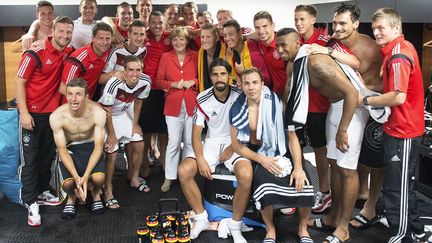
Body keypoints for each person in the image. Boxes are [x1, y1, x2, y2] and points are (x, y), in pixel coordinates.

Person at [275, 28, 369, 243]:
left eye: (284, 45)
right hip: (336, 106)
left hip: (352, 107)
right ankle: (332, 218)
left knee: (347, 170)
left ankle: (343, 228)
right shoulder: (296, 63)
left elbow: (352, 93)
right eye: (277, 45)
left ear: (298, 43)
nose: (280, 50)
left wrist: (344, 129)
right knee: (334, 165)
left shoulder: (316, 62)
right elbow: (289, 92)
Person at [364, 7, 431, 242]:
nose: (376, 32)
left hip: (403, 132)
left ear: (396, 28)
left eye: (381, 28)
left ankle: (401, 235)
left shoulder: (398, 55)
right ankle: (417, 230)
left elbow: (397, 96)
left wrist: (367, 100)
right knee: (403, 185)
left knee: (395, 189)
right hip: (402, 128)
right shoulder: (400, 48)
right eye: (374, 28)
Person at [230, 67, 314, 243]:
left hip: (282, 148)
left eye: (254, 82)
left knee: (305, 183)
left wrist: (298, 167)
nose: (251, 87)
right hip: (257, 153)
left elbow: (292, 138)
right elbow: (237, 146)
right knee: (263, 186)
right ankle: (270, 230)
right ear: (242, 86)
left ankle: (303, 229)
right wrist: (262, 160)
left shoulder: (278, 104)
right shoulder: (237, 108)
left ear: (262, 84)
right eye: (246, 83)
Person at [178, 58, 249, 243]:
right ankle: (201, 218)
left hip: (235, 141)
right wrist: (200, 159)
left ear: (229, 76)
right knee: (184, 171)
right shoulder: (203, 97)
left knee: (246, 175)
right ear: (210, 77)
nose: (219, 78)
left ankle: (235, 224)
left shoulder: (239, 94)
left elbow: (247, 127)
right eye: (215, 74)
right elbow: (196, 134)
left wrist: (233, 146)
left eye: (223, 74)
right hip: (211, 141)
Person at [15, 16, 74, 226]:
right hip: (30, 114)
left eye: (69, 32)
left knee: (46, 157)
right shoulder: (35, 52)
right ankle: (30, 202)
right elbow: (19, 83)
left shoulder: (68, 51)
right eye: (61, 32)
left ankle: (42, 191)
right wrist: (23, 113)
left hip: (52, 115)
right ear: (53, 31)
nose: (65, 36)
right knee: (29, 161)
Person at [99, 55, 151, 209]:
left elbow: (139, 102)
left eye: (138, 70)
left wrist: (135, 124)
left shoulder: (146, 81)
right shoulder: (114, 82)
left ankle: (134, 178)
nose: (135, 74)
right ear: (124, 70)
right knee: (112, 153)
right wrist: (112, 135)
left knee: (139, 144)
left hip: (123, 113)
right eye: (131, 70)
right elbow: (107, 110)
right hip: (107, 117)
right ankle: (108, 190)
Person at [50, 78, 106, 220]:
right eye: (70, 94)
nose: (73, 99)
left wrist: (85, 177)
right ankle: (71, 197)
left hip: (91, 146)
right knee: (69, 183)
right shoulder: (57, 116)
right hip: (71, 148)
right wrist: (77, 178)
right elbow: (61, 149)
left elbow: (99, 146)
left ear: (86, 96)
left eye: (78, 94)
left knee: (99, 179)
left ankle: (95, 194)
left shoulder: (97, 112)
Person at [156, 26, 198, 192]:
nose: (178, 42)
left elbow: (203, 77)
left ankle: (187, 175)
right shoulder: (166, 57)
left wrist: (194, 81)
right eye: (175, 39)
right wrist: (173, 84)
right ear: (171, 41)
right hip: (172, 105)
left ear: (187, 41)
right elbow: (159, 81)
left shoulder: (195, 55)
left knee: (189, 142)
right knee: (173, 142)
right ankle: (169, 177)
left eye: (181, 39)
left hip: (192, 104)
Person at [139, 10, 172, 180]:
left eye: (160, 22)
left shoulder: (170, 38)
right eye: (154, 22)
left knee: (164, 132)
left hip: (165, 90)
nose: (157, 26)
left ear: (164, 23)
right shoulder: (144, 38)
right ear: (149, 24)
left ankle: (166, 164)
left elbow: (189, 31)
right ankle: (144, 166)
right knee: (144, 131)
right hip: (146, 90)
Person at [60, 22, 113, 101]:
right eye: (101, 38)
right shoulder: (77, 59)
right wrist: (86, 101)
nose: (105, 42)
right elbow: (63, 88)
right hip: (71, 104)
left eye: (108, 38)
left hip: (89, 101)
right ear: (92, 38)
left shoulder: (109, 51)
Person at [222, 19, 270, 86]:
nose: (227, 38)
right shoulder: (231, 53)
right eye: (225, 35)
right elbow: (231, 78)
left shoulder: (252, 49)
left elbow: (266, 80)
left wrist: (243, 73)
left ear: (240, 33)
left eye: (230, 34)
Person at [253, 11, 286, 97]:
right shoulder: (260, 42)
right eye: (257, 27)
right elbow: (251, 35)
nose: (261, 31)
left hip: (289, 95)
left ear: (273, 26)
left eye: (265, 26)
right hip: (274, 94)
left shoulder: (283, 44)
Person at [197, 23, 228, 92]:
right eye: (202, 37)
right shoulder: (201, 52)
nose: (204, 40)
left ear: (216, 38)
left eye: (208, 36)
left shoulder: (226, 51)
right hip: (206, 95)